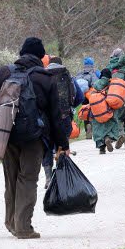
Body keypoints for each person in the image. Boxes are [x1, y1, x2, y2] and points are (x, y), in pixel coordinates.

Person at [0, 37, 69, 239]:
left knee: (10, 179)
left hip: (6, 135)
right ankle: (23, 227)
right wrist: (63, 144)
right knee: (27, 179)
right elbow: (56, 116)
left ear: (21, 54)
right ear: (41, 56)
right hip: (33, 138)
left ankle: (11, 222)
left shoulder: (3, 74)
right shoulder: (45, 78)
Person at [42, 56, 84, 188]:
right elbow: (80, 97)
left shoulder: (43, 76)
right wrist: (70, 107)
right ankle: (61, 177)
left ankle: (48, 178)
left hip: (47, 118)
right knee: (62, 145)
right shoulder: (67, 76)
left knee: (47, 147)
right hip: (64, 117)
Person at [75, 57, 100, 139]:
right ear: (92, 64)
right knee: (94, 111)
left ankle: (87, 129)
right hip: (92, 95)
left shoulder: (80, 73)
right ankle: (93, 127)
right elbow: (98, 82)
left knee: (85, 111)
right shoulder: (95, 72)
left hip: (83, 95)